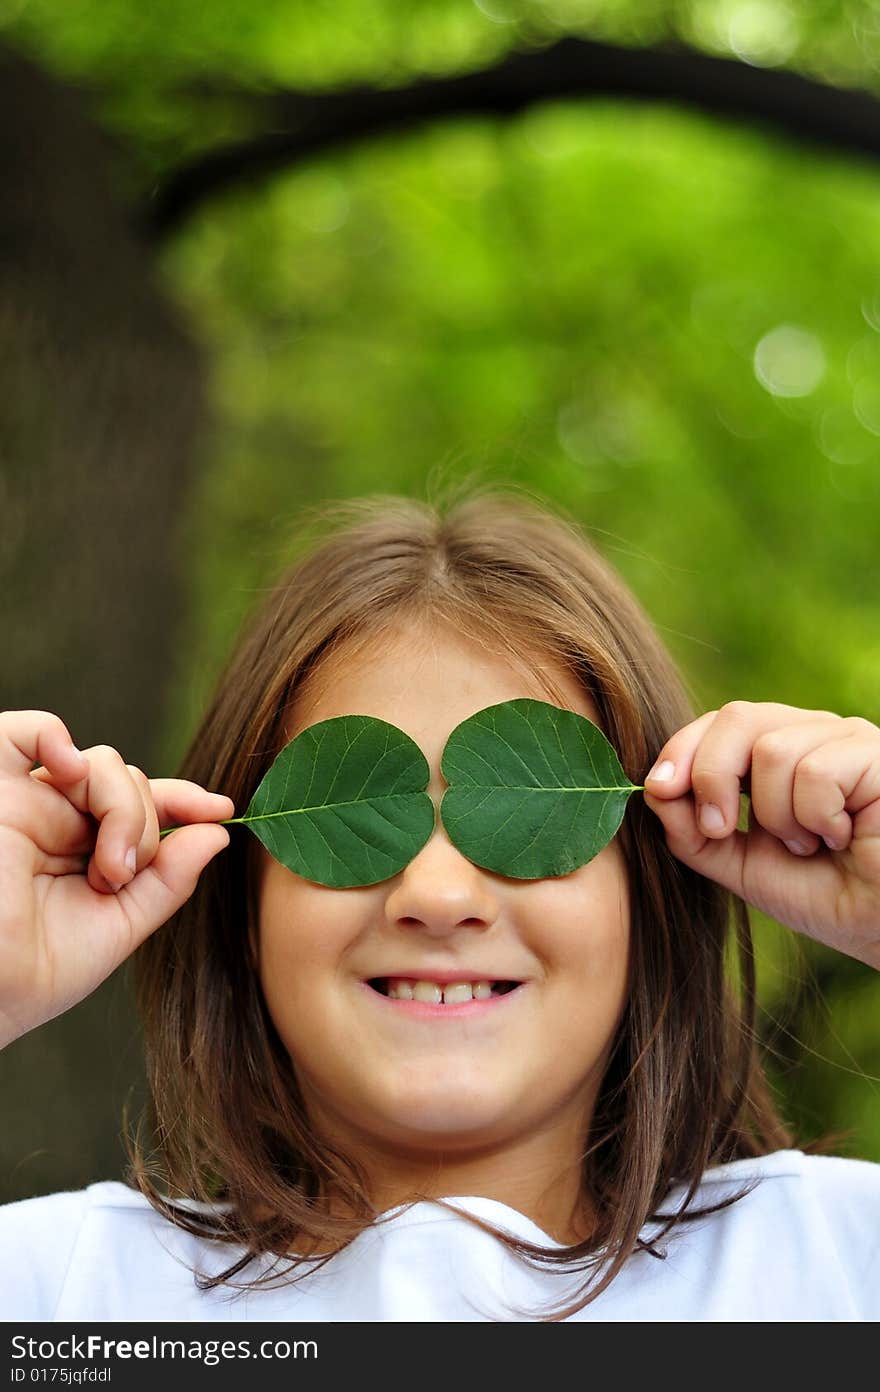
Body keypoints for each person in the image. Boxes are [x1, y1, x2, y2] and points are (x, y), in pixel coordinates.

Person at [1, 485, 878, 1322]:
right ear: (242, 904)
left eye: (520, 819)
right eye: (364, 822)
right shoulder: (61, 1292)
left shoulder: (835, 1268)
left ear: (649, 897)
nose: (438, 894)